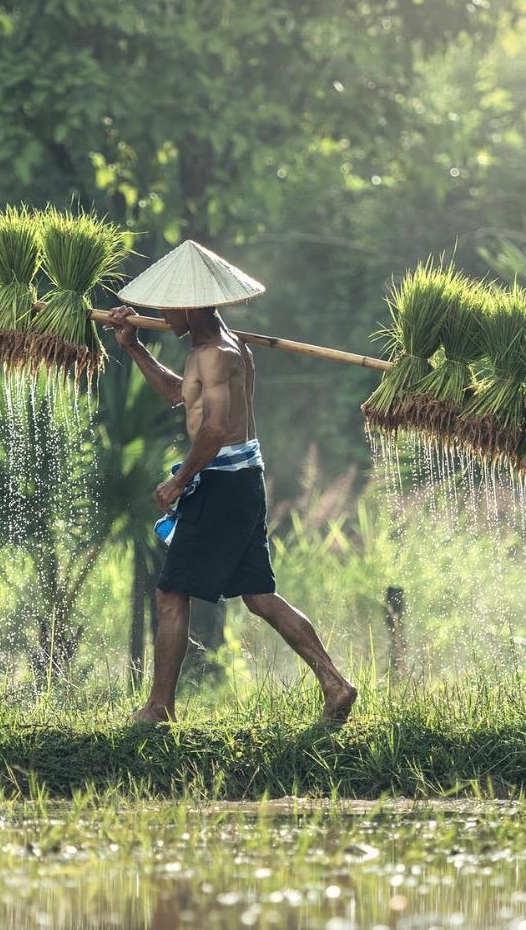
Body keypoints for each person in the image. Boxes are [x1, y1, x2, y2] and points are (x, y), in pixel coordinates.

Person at [105, 240, 357, 725]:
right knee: (259, 596)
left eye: (167, 304)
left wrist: (180, 480)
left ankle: (158, 708)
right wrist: (133, 346)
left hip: (222, 483)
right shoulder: (215, 348)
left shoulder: (219, 354)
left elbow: (216, 430)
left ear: (190, 305)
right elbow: (180, 396)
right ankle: (336, 684)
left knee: (170, 592)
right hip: (241, 480)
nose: (161, 312)